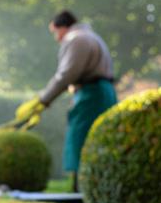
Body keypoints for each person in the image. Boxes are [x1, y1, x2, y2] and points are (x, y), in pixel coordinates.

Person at [17, 11, 116, 189]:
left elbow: (66, 75)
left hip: (91, 96)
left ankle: (82, 191)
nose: (56, 38)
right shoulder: (92, 36)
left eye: (55, 32)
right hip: (103, 93)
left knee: (82, 142)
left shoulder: (76, 39)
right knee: (100, 141)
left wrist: (44, 99)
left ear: (63, 27)